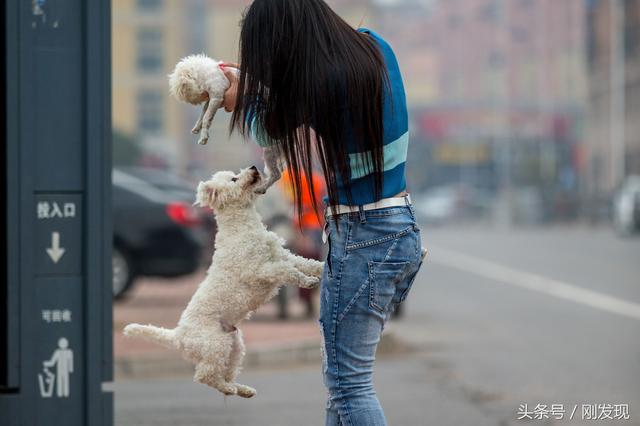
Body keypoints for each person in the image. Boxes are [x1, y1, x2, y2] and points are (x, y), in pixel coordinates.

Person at [220, 1, 424, 424]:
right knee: (343, 389)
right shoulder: (374, 49)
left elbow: (265, 129)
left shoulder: (322, 84)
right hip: (398, 227)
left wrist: (243, 93)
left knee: (350, 386)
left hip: (363, 234)